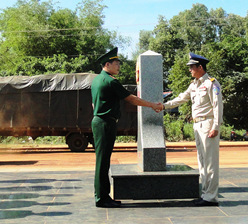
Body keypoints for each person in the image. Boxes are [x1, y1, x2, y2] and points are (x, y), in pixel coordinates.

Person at [91, 48, 163, 208]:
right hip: (105, 122)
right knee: (102, 161)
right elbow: (131, 98)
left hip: (98, 120)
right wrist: (152, 105)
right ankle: (102, 198)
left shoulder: (96, 80)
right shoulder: (111, 81)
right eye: (116, 64)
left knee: (102, 160)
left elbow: (93, 103)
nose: (119, 67)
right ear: (107, 64)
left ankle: (103, 196)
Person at [164, 52, 223, 206]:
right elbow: (181, 98)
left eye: (192, 67)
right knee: (202, 161)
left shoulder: (212, 83)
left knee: (210, 162)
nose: (190, 70)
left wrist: (216, 126)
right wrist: (163, 105)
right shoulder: (194, 85)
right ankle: (205, 194)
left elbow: (217, 107)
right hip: (198, 125)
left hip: (208, 124)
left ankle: (211, 197)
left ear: (200, 67)